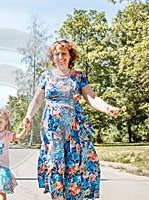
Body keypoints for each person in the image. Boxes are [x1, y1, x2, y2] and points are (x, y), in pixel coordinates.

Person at [23, 39, 120, 200]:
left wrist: (107, 108)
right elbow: (37, 100)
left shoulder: (78, 77)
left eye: (64, 53)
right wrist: (28, 115)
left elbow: (92, 98)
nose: (60, 57)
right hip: (52, 129)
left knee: (76, 164)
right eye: (57, 54)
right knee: (55, 164)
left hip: (75, 129)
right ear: (52, 57)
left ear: (70, 56)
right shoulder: (46, 77)